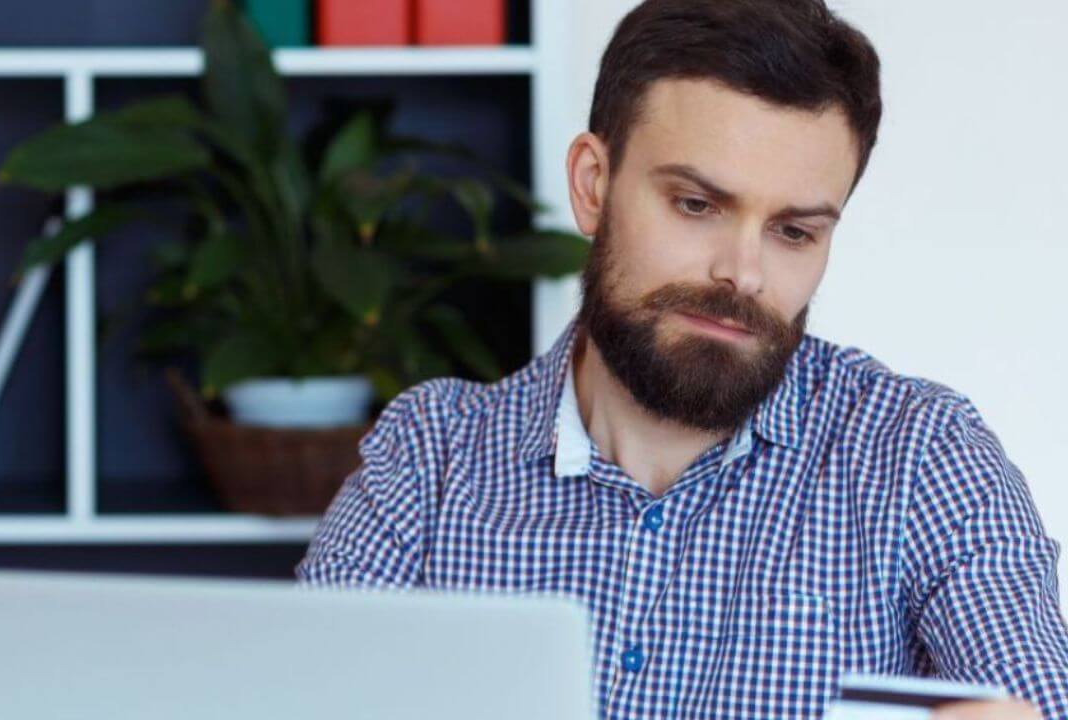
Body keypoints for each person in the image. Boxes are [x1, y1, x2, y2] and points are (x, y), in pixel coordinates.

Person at [295, 1, 1068, 717]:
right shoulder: (429, 457)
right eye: (697, 205)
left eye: (794, 232)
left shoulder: (922, 458)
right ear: (593, 186)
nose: (744, 273)